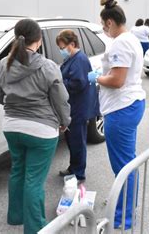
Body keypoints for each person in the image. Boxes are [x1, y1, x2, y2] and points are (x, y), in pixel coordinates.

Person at [0, 19, 71, 234]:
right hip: (41, 129)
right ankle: (35, 228)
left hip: (11, 126)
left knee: (18, 170)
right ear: (39, 40)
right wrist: (65, 122)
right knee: (34, 180)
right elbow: (60, 99)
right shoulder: (48, 66)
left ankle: (16, 215)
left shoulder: (1, 65)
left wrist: (14, 104)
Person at [87, 0, 146, 230]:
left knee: (123, 166)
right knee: (127, 162)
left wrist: (98, 78)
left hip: (121, 108)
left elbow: (117, 80)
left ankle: (122, 218)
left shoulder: (121, 42)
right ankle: (125, 206)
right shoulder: (130, 38)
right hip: (129, 105)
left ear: (110, 22)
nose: (103, 29)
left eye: (103, 25)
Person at [56, 29, 99, 183]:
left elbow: (78, 83)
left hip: (78, 107)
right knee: (72, 140)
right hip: (72, 107)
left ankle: (78, 173)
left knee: (77, 141)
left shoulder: (79, 59)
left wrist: (59, 83)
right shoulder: (72, 58)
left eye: (62, 48)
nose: (61, 51)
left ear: (72, 44)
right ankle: (73, 168)